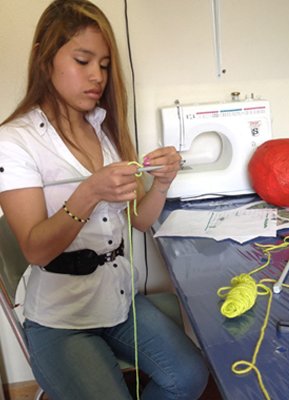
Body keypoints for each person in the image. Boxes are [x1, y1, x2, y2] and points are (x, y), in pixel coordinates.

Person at [0, 1, 208, 398]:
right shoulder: (14, 141)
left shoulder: (103, 128)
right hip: (60, 321)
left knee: (190, 376)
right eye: (83, 61)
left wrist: (162, 184)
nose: (97, 76)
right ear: (45, 58)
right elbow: (35, 249)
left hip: (118, 302)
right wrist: (89, 193)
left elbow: (139, 220)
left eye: (105, 65)